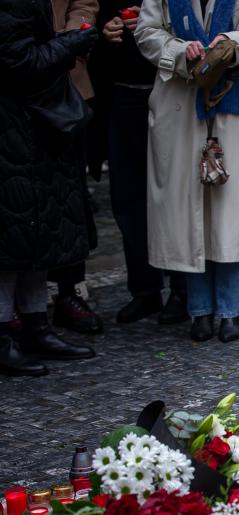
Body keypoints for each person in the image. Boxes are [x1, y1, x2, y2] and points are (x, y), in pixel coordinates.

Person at [136, 0, 239, 342]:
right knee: (189, 211)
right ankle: (199, 311)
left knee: (229, 211)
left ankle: (233, 311)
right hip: (179, 105)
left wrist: (235, 42)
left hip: (232, 105)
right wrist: (176, 49)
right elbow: (146, 31)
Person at [0, 0, 98, 376]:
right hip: (13, 127)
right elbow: (18, 61)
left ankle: (36, 326)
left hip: (33, 126)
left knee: (36, 230)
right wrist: (71, 43)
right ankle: (5, 337)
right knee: (13, 236)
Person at [93, 0, 190, 326]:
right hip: (122, 92)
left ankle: (183, 288)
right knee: (129, 197)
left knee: (175, 194)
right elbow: (90, 15)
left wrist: (154, 30)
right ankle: (145, 289)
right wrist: (104, 31)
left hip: (171, 89)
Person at [50, 0, 105, 336]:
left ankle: (70, 290)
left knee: (71, 193)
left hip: (68, 78)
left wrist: (68, 40)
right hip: (17, 75)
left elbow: (84, 4)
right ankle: (16, 304)